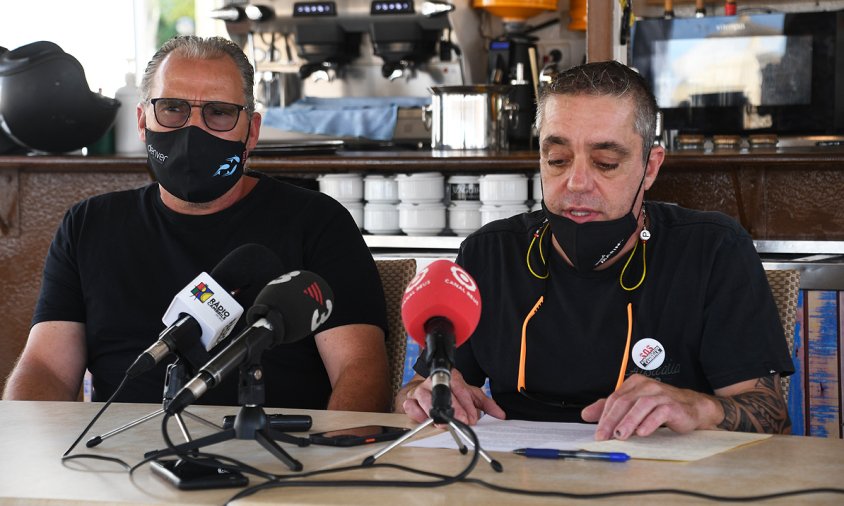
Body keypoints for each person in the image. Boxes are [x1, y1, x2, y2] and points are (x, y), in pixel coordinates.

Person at [397, 60, 793, 440]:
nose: (577, 182)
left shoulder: (712, 250)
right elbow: (413, 392)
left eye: (605, 163)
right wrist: (423, 396)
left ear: (650, 167)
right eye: (558, 159)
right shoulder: (489, 254)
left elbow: (772, 416)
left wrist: (695, 408)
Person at [3, 36, 391, 413]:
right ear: (142, 121)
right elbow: (47, 368)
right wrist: (24, 447)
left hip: (280, 460)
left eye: (219, 112)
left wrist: (332, 467)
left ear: (251, 131)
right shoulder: (88, 225)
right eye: (172, 108)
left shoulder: (318, 223)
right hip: (121, 461)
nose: (193, 130)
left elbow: (360, 371)